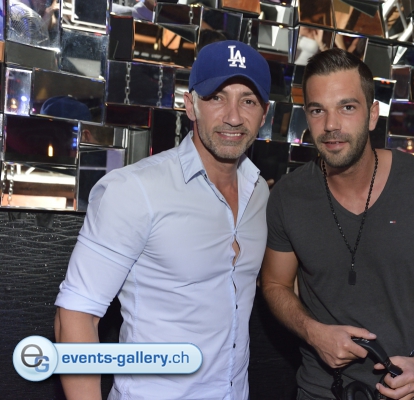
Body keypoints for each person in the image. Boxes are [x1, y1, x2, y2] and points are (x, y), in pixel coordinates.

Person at [54, 40, 271, 400]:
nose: (233, 116)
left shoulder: (259, 192)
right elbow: (75, 315)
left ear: (264, 114)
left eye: (248, 101)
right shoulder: (135, 189)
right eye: (217, 97)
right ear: (191, 105)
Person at [261, 48, 414, 400]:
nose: (331, 125)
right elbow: (275, 283)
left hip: (408, 389)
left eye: (347, 107)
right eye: (318, 110)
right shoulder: (288, 196)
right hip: (322, 390)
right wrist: (313, 333)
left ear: (372, 115)